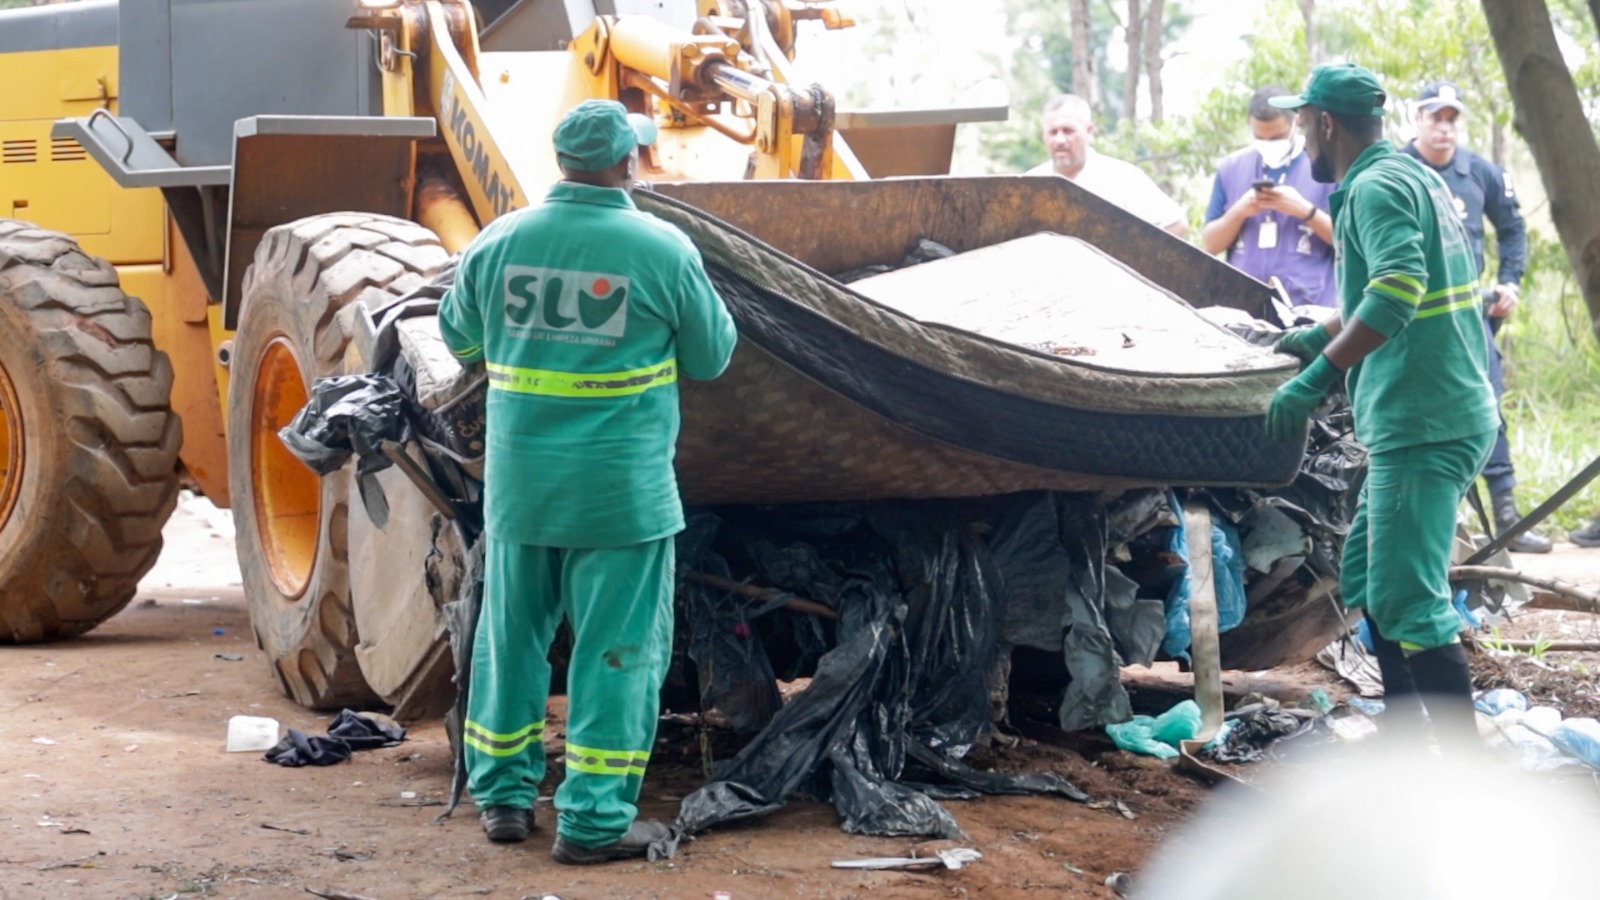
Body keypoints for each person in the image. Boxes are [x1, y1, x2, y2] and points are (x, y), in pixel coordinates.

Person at [439, 99, 738, 863]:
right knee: (617, 653)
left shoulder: (502, 241)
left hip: (521, 490)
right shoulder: (662, 249)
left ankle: (503, 799)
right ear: (630, 161)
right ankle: (594, 821)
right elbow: (711, 358)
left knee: (510, 646)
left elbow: (459, 336)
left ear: (561, 159)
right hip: (620, 496)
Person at [1264, 64, 1498, 750]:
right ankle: (1403, 746)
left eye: (1303, 120)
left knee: (1409, 600)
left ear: (1326, 123)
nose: (1300, 133)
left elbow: (1397, 292)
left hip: (1424, 422)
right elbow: (1388, 288)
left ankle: (1458, 775)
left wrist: (1317, 379)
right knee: (1370, 574)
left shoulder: (1373, 187)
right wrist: (1325, 331)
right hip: (1430, 411)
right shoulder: (1406, 174)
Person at [1401, 80, 1549, 553]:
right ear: (1417, 120)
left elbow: (1512, 229)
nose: (1443, 128)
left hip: (1469, 314)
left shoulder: (1480, 173)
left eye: (1451, 119)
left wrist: (1509, 282)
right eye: (1434, 118)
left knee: (1485, 401)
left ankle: (1506, 517)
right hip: (1411, 318)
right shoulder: (1398, 170)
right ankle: (1437, 521)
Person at [1201, 85, 1338, 307]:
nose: (1268, 144)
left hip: (1309, 306)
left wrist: (1306, 211)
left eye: (1277, 137)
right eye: (1260, 137)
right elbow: (1210, 244)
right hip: (1243, 305)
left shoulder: (1327, 167)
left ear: (1296, 121)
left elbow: (1348, 242)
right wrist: (1239, 212)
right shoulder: (1231, 168)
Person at [1028, 94, 1189, 236]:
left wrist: (1130, 258)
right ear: (1044, 135)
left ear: (1089, 131)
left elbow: (1175, 223)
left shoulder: (1121, 177)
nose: (1060, 140)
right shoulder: (1028, 185)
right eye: (1053, 132)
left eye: (1068, 131)